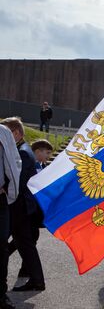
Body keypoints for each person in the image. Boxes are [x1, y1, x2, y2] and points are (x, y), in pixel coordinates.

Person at [0, 117, 45, 292]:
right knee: (23, 243)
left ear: (17, 133)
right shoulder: (21, 149)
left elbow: (18, 181)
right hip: (19, 206)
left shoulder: (23, 152)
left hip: (19, 207)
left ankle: (36, 280)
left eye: (7, 132)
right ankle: (35, 279)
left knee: (23, 243)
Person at [0, 124, 21, 309]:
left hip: (1, 201)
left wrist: (8, 188)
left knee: (2, 249)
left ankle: (1, 294)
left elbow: (15, 162)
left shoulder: (4, 132)